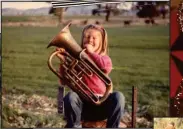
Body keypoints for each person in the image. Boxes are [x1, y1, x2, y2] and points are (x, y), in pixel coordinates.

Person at [58, 24, 125, 128]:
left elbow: (105, 67)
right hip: (82, 106)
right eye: (87, 36)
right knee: (70, 97)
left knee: (119, 96)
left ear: (101, 42)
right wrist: (63, 62)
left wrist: (91, 53)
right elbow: (63, 81)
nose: (89, 40)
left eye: (94, 38)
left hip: (102, 104)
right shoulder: (76, 59)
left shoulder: (105, 58)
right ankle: (75, 126)